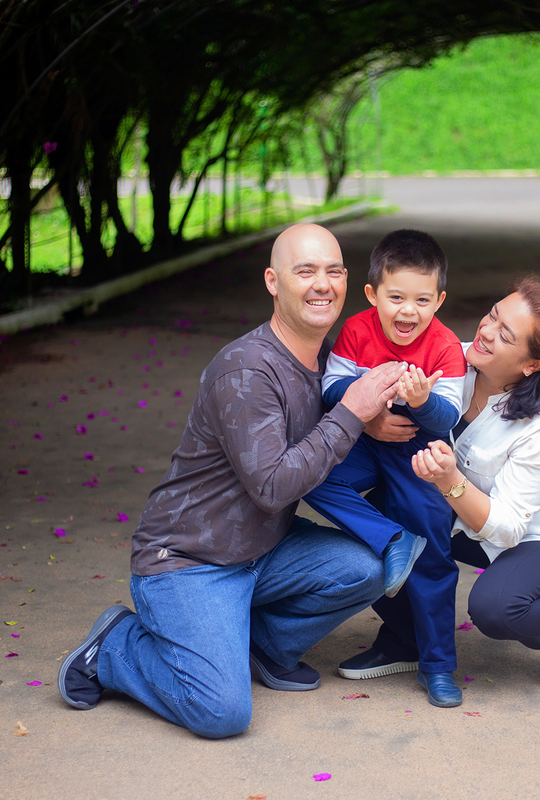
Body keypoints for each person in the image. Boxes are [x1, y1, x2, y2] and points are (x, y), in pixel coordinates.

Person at [57, 223, 405, 738]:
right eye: (304, 270)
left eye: (333, 271)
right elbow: (272, 485)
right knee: (221, 712)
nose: (322, 284)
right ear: (272, 281)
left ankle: (262, 647)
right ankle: (114, 646)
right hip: (189, 561)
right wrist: (353, 412)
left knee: (366, 567)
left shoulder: (330, 364)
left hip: (262, 551)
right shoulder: (247, 370)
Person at [352, 277, 540, 690]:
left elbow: (507, 528)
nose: (485, 332)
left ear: (532, 365)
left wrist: (449, 480)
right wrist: (376, 418)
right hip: (466, 516)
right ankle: (405, 640)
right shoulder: (453, 357)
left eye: (505, 335)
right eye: (492, 315)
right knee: (377, 520)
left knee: (496, 607)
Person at [304, 229, 468, 708]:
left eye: (421, 299)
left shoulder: (444, 349)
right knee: (310, 472)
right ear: (373, 294)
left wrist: (421, 401)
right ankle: (392, 539)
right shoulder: (357, 330)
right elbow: (331, 388)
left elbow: (447, 417)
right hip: (364, 443)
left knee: (434, 560)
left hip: (419, 456)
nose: (407, 311)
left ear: (438, 301)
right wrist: (369, 412)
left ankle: (438, 666)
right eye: (395, 297)